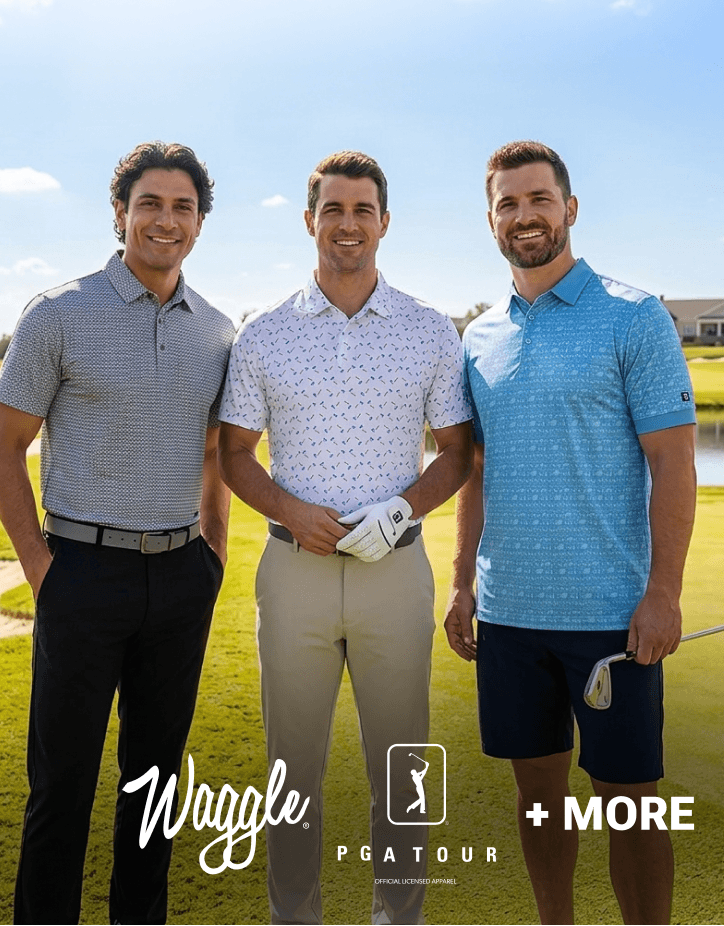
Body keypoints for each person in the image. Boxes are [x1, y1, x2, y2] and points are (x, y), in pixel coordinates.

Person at [444, 141, 697, 925]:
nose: (525, 216)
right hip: (512, 616)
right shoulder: (479, 337)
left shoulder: (634, 315)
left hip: (612, 618)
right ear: (491, 219)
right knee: (538, 799)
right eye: (508, 204)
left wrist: (663, 594)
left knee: (630, 804)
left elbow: (675, 463)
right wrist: (460, 583)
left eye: (538, 199)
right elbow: (477, 471)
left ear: (569, 208)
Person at [218, 150, 472, 925]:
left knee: (401, 770)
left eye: (363, 210)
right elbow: (233, 453)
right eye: (333, 209)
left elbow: (458, 451)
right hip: (292, 572)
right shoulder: (263, 333)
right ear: (309, 221)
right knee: (292, 769)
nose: (348, 224)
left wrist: (403, 509)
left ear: (384, 222)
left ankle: (400, 917)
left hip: (394, 573)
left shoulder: (431, 330)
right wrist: (293, 512)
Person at [0, 141, 235, 926]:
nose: (167, 220)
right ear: (120, 212)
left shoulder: (218, 331)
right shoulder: (59, 312)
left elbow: (214, 456)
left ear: (200, 221)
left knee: (153, 787)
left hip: (180, 576)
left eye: (183, 207)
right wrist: (40, 565)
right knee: (61, 786)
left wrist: (214, 554)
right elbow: (4, 445)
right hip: (80, 574)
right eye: (150, 204)